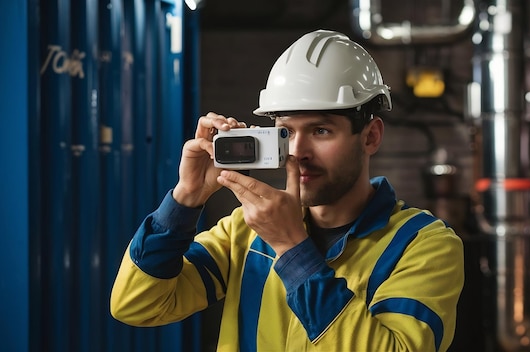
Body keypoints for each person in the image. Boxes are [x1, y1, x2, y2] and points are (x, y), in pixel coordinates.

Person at [110, 29, 464, 352]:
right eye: (286, 132)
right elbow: (138, 304)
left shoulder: (422, 245)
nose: (298, 152)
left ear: (370, 136)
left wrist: (293, 249)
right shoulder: (245, 232)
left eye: (321, 130)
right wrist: (186, 197)